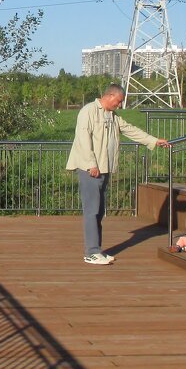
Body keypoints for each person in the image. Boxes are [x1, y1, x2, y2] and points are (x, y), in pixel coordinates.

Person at [66, 83, 170, 265]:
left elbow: (130, 130)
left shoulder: (113, 116)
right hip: (90, 169)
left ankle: (97, 250)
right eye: (119, 101)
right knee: (91, 210)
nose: (120, 105)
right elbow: (83, 139)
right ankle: (91, 252)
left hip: (104, 169)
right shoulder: (88, 111)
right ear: (110, 96)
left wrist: (153, 141)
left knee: (99, 211)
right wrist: (91, 164)